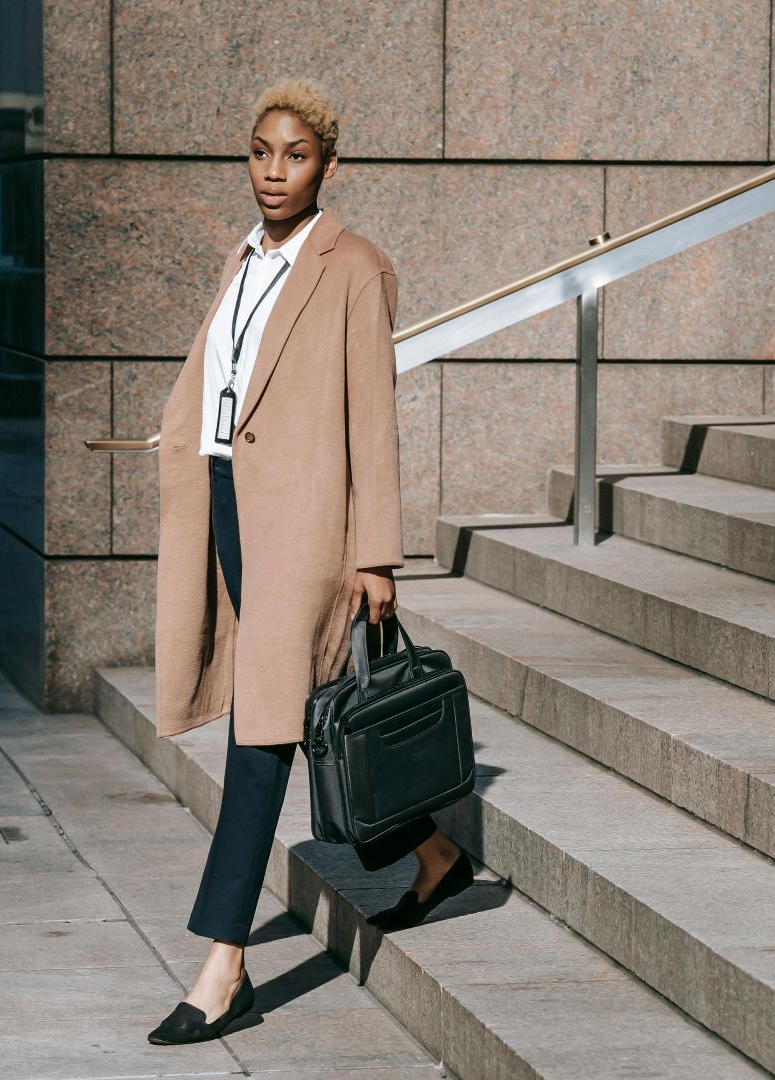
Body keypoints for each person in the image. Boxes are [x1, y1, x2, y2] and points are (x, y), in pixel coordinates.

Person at [145, 77, 475, 1047]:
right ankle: (432, 851)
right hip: (228, 510)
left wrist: (376, 554)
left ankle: (223, 965)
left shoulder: (354, 268)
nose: (274, 172)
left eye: (295, 155)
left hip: (304, 528)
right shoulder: (242, 259)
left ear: (330, 164)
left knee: (263, 735)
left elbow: (373, 420)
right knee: (303, 713)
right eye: (260, 152)